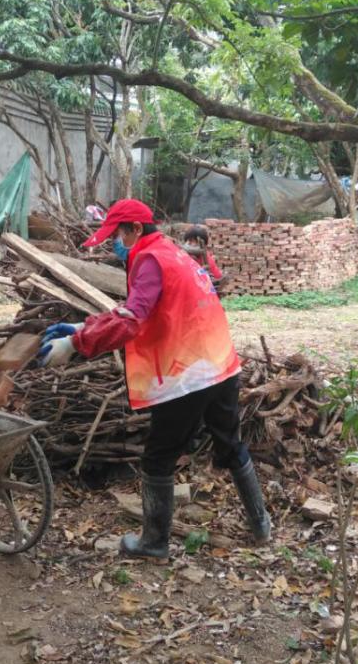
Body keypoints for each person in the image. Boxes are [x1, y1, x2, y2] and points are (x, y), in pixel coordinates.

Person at [37, 199, 270, 559]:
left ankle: (154, 542)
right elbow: (137, 308)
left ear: (133, 230)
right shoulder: (171, 253)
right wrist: (84, 326)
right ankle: (261, 524)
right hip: (220, 365)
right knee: (230, 444)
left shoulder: (148, 259)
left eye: (116, 235)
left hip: (186, 373)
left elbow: (132, 320)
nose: (115, 243)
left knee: (159, 457)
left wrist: (75, 343)